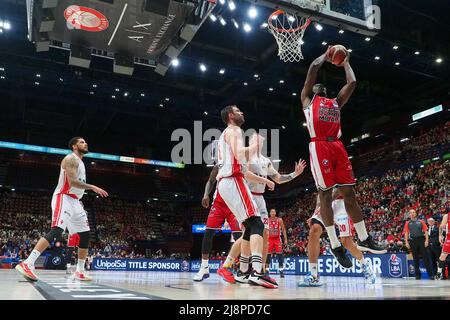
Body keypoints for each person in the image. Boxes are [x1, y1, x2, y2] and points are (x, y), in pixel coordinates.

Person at [300, 47, 385, 268]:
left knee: (349, 192)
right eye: (316, 86)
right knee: (325, 195)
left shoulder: (336, 102)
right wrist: (326, 56)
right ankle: (336, 244)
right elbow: (312, 70)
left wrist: (346, 62)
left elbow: (353, 83)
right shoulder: (308, 101)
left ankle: (365, 238)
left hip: (337, 146)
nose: (319, 86)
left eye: (322, 86)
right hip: (319, 146)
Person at [15, 137, 109, 281]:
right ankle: (27, 263)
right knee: (57, 230)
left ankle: (80, 270)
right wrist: (92, 187)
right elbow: (72, 182)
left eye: (85, 142)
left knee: (85, 235)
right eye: (82, 142)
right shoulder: (70, 159)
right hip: (64, 197)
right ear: (74, 146)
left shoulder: (81, 162)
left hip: (76, 201)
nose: (86, 143)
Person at [214, 105, 277, 288]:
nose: (242, 112)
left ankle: (242, 272)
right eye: (238, 110)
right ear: (231, 115)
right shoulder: (234, 130)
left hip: (228, 182)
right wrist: (255, 145)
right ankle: (257, 272)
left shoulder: (228, 133)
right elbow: (240, 155)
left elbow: (240, 162)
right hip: (233, 181)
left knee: (250, 228)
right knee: (257, 224)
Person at [246, 132, 306, 278]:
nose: (259, 141)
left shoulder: (266, 161)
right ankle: (244, 267)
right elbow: (244, 174)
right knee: (248, 235)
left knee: (264, 234)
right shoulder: (246, 156)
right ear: (251, 141)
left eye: (261, 140)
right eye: (256, 139)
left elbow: (278, 179)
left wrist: (294, 174)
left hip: (260, 199)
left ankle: (260, 269)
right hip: (248, 196)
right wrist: (266, 181)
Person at [298, 189, 377, 287]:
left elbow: (341, 187)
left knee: (347, 242)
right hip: (326, 202)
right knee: (314, 229)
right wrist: (316, 212)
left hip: (342, 203)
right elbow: (320, 192)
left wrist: (325, 203)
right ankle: (314, 275)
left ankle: (364, 265)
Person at [193, 165, 243, 282]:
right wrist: (206, 195)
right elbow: (210, 181)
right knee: (208, 233)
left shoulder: (239, 164)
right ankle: (204, 268)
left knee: (239, 237)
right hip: (219, 204)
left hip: (234, 204)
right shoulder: (219, 165)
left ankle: (235, 268)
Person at [404, 209, 434, 280]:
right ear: (409, 214)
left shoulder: (421, 221)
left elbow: (426, 231)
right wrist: (406, 242)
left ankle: (431, 275)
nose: (412, 213)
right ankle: (417, 275)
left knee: (426, 258)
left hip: (421, 240)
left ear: (416, 213)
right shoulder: (407, 223)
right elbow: (406, 233)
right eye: (411, 212)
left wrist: (426, 240)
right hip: (413, 241)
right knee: (415, 258)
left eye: (413, 212)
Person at [267, 209, 289, 278]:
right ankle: (267, 271)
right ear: (270, 213)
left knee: (280, 255)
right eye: (272, 212)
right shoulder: (267, 220)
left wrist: (285, 239)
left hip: (277, 239)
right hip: (269, 239)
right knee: (268, 256)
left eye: (274, 212)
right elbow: (264, 230)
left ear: (275, 213)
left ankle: (281, 271)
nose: (273, 213)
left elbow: (283, 229)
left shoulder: (279, 220)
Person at [435, 213, 449, 280]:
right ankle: (439, 273)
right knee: (443, 255)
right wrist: (440, 236)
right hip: (449, 238)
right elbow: (441, 226)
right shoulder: (447, 216)